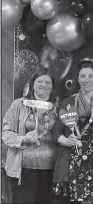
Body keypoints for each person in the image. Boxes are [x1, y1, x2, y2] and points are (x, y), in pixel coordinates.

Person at [52, 59, 93, 204]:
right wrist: (66, 141)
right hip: (74, 159)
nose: (86, 80)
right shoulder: (68, 102)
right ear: (78, 79)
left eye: (90, 76)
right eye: (82, 76)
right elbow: (55, 132)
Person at [2, 67, 57, 204]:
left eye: (47, 82)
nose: (43, 85)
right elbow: (5, 134)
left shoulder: (56, 108)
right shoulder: (18, 105)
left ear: (52, 87)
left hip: (50, 171)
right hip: (23, 170)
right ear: (32, 84)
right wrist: (23, 139)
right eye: (40, 81)